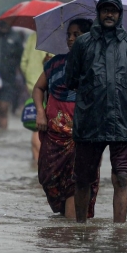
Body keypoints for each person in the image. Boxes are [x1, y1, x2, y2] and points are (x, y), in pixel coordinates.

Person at [66, 0, 127, 223]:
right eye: (105, 10)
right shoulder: (83, 43)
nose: (109, 14)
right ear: (99, 13)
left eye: (113, 10)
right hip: (89, 121)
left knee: (121, 178)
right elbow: (70, 79)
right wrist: (93, 91)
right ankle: (81, 228)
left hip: (122, 121)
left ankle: (119, 232)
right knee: (83, 179)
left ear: (120, 14)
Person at [33, 18, 93, 219]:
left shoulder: (96, 65)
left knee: (75, 181)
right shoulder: (55, 63)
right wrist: (40, 112)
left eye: (77, 35)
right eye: (69, 34)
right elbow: (38, 88)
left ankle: (71, 233)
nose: (71, 39)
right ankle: (66, 225)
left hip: (83, 134)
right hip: (53, 133)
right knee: (47, 177)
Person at [21, 31, 52, 164]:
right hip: (55, 86)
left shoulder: (33, 36)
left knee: (37, 125)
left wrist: (30, 78)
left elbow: (23, 62)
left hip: (33, 84)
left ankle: (36, 162)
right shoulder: (63, 36)